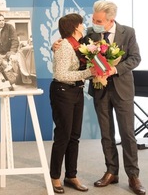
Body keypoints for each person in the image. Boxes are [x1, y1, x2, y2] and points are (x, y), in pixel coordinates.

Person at [88, 0, 145, 195]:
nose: (94, 22)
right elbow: (80, 54)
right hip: (99, 89)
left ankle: (133, 176)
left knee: (128, 134)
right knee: (106, 133)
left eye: (98, 20)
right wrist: (58, 44)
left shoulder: (127, 32)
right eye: (93, 18)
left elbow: (135, 58)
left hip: (122, 89)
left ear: (111, 19)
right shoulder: (91, 33)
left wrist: (114, 69)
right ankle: (111, 171)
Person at [49, 13, 94, 193]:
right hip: (62, 92)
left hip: (77, 91)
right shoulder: (64, 46)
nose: (84, 26)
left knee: (74, 136)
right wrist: (88, 73)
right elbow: (60, 75)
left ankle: (71, 176)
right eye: (82, 23)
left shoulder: (80, 44)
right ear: (75, 26)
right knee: (63, 136)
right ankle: (54, 177)